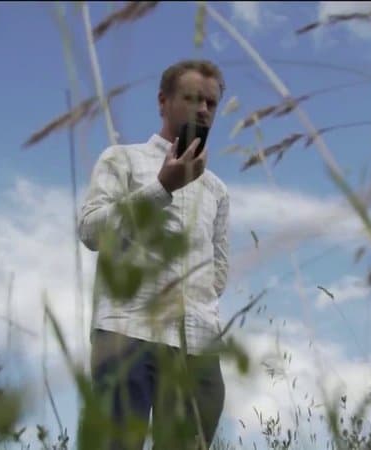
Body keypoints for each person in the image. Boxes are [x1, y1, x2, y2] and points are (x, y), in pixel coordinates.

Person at [78, 59, 229, 450]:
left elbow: (219, 268)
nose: (202, 110)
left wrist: (196, 302)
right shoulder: (121, 159)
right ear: (163, 102)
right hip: (127, 333)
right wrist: (162, 186)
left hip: (197, 345)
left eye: (211, 103)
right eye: (191, 98)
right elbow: (91, 230)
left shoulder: (216, 189)